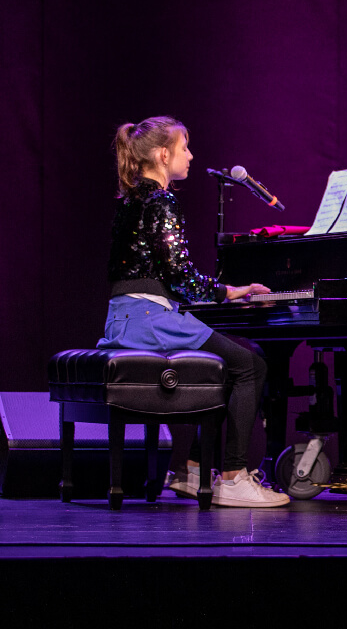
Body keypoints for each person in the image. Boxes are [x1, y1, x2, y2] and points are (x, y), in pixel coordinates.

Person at [101, 115, 289, 507]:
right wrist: (235, 292)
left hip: (123, 318)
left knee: (230, 364)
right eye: (184, 147)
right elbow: (181, 276)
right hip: (150, 319)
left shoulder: (131, 200)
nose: (191, 155)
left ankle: (191, 470)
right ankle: (235, 477)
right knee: (250, 365)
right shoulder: (163, 199)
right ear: (162, 154)